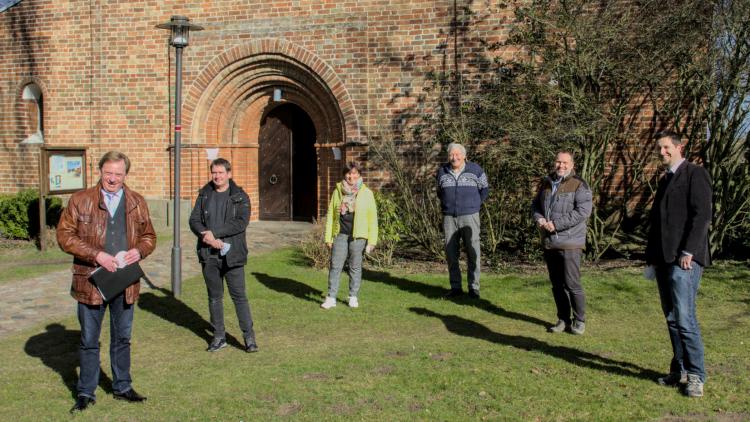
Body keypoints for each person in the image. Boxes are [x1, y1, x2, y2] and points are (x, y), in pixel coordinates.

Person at [57, 151, 156, 413]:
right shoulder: (80, 200)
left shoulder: (136, 201)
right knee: (89, 340)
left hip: (125, 281)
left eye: (118, 174)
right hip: (91, 281)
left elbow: (149, 236)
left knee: (122, 338)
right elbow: (64, 236)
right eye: (108, 172)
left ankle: (122, 386)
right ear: (100, 171)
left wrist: (141, 251)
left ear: (126, 175)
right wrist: (96, 255)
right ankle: (86, 392)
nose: (112, 179)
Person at [646, 130, 712, 398]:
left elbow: (702, 216)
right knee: (672, 318)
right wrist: (650, 259)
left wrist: (689, 251)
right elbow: (657, 224)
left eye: (665, 147)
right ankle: (680, 369)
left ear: (678, 147)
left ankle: (696, 375)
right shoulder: (665, 180)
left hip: (685, 259)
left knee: (685, 319)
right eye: (659, 148)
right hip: (663, 259)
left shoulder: (695, 174)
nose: (661, 152)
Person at [188, 158, 258, 353]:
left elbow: (240, 223)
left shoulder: (240, 196)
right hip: (209, 254)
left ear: (229, 174)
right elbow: (194, 220)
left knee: (239, 297)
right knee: (214, 297)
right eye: (214, 173)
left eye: (221, 172)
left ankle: (249, 338)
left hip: (232, 254)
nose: (217, 176)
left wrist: (215, 234)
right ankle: (219, 336)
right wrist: (207, 238)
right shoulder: (204, 195)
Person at [531, 151, 592, 335]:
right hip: (550, 242)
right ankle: (563, 319)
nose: (561, 166)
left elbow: (582, 212)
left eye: (565, 162)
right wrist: (539, 219)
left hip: (570, 243)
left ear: (572, 165)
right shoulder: (547, 183)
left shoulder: (579, 185)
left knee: (572, 283)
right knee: (556, 284)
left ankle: (579, 320)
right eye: (558, 162)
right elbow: (535, 205)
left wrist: (556, 224)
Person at [321, 162, 378, 309]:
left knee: (355, 267)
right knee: (335, 266)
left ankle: (353, 296)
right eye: (348, 173)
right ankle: (331, 297)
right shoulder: (338, 191)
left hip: (358, 237)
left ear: (359, 175)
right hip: (340, 234)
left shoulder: (367, 193)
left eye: (354, 173)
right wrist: (328, 237)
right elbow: (331, 216)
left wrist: (372, 241)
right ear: (344, 174)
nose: (351, 176)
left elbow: (373, 219)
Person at [436, 143, 489, 298]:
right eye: (452, 155)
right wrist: (447, 205)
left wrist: (475, 205)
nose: (455, 157)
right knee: (451, 253)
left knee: (473, 251)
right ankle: (456, 287)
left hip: (470, 216)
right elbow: (440, 192)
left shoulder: (476, 170)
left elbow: (484, 189)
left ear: (464, 156)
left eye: (458, 154)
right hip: (449, 217)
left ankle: (474, 287)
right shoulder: (442, 172)